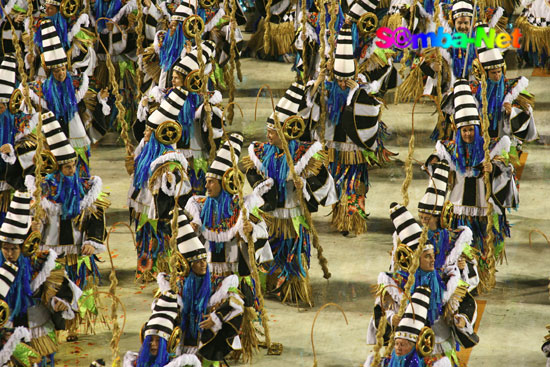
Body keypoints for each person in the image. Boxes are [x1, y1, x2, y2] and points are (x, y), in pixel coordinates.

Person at [242, 82, 337, 306]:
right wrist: (260, 187)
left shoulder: (306, 155)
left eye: (272, 131)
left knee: (293, 254)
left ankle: (292, 288)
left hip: (293, 215)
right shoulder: (261, 152)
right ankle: (271, 283)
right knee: (270, 250)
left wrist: (303, 183)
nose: (268, 135)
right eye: (268, 131)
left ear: (286, 132)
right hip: (271, 216)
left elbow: (323, 182)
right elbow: (251, 173)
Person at [185, 132, 273, 361]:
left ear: (225, 182)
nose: (206, 185)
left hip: (234, 276)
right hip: (206, 274)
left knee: (234, 306)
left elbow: (263, 234)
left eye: (211, 181)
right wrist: (191, 228)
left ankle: (233, 345)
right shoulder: (199, 207)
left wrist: (251, 232)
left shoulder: (243, 210)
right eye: (206, 181)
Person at [426, 78, 519, 288]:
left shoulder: (491, 148)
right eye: (464, 130)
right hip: (457, 211)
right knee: (461, 250)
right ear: (457, 131)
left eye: (471, 129)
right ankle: (464, 284)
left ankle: (481, 280)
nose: (467, 134)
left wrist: (493, 169)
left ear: (477, 129)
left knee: (482, 247)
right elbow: (437, 171)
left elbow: (509, 172)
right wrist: (432, 163)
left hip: (482, 210)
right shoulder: (449, 150)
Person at [36, 111, 109, 342]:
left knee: (79, 286)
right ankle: (55, 326)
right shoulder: (44, 191)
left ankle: (73, 327)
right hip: (51, 250)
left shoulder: (85, 188)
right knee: (55, 290)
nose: (72, 170)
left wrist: (92, 241)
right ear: (57, 168)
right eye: (66, 167)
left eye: (73, 166)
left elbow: (96, 216)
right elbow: (36, 221)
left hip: (77, 250)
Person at [0, 190, 81, 364]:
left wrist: (58, 302)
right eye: (5, 248)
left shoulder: (42, 263)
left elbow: (63, 287)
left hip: (37, 328)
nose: (9, 253)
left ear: (24, 248)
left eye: (14, 249)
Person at [128, 84, 192, 281]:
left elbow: (182, 187)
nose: (145, 133)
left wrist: (169, 180)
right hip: (143, 204)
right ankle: (146, 269)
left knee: (161, 239)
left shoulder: (172, 159)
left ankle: (162, 270)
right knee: (144, 236)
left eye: (148, 130)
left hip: (159, 209)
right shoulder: (145, 147)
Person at [175, 210, 244, 365]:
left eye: (204, 260)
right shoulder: (178, 284)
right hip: (184, 342)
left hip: (208, 343)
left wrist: (216, 318)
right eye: (198, 262)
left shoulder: (217, 281)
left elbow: (236, 302)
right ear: (188, 265)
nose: (203, 264)